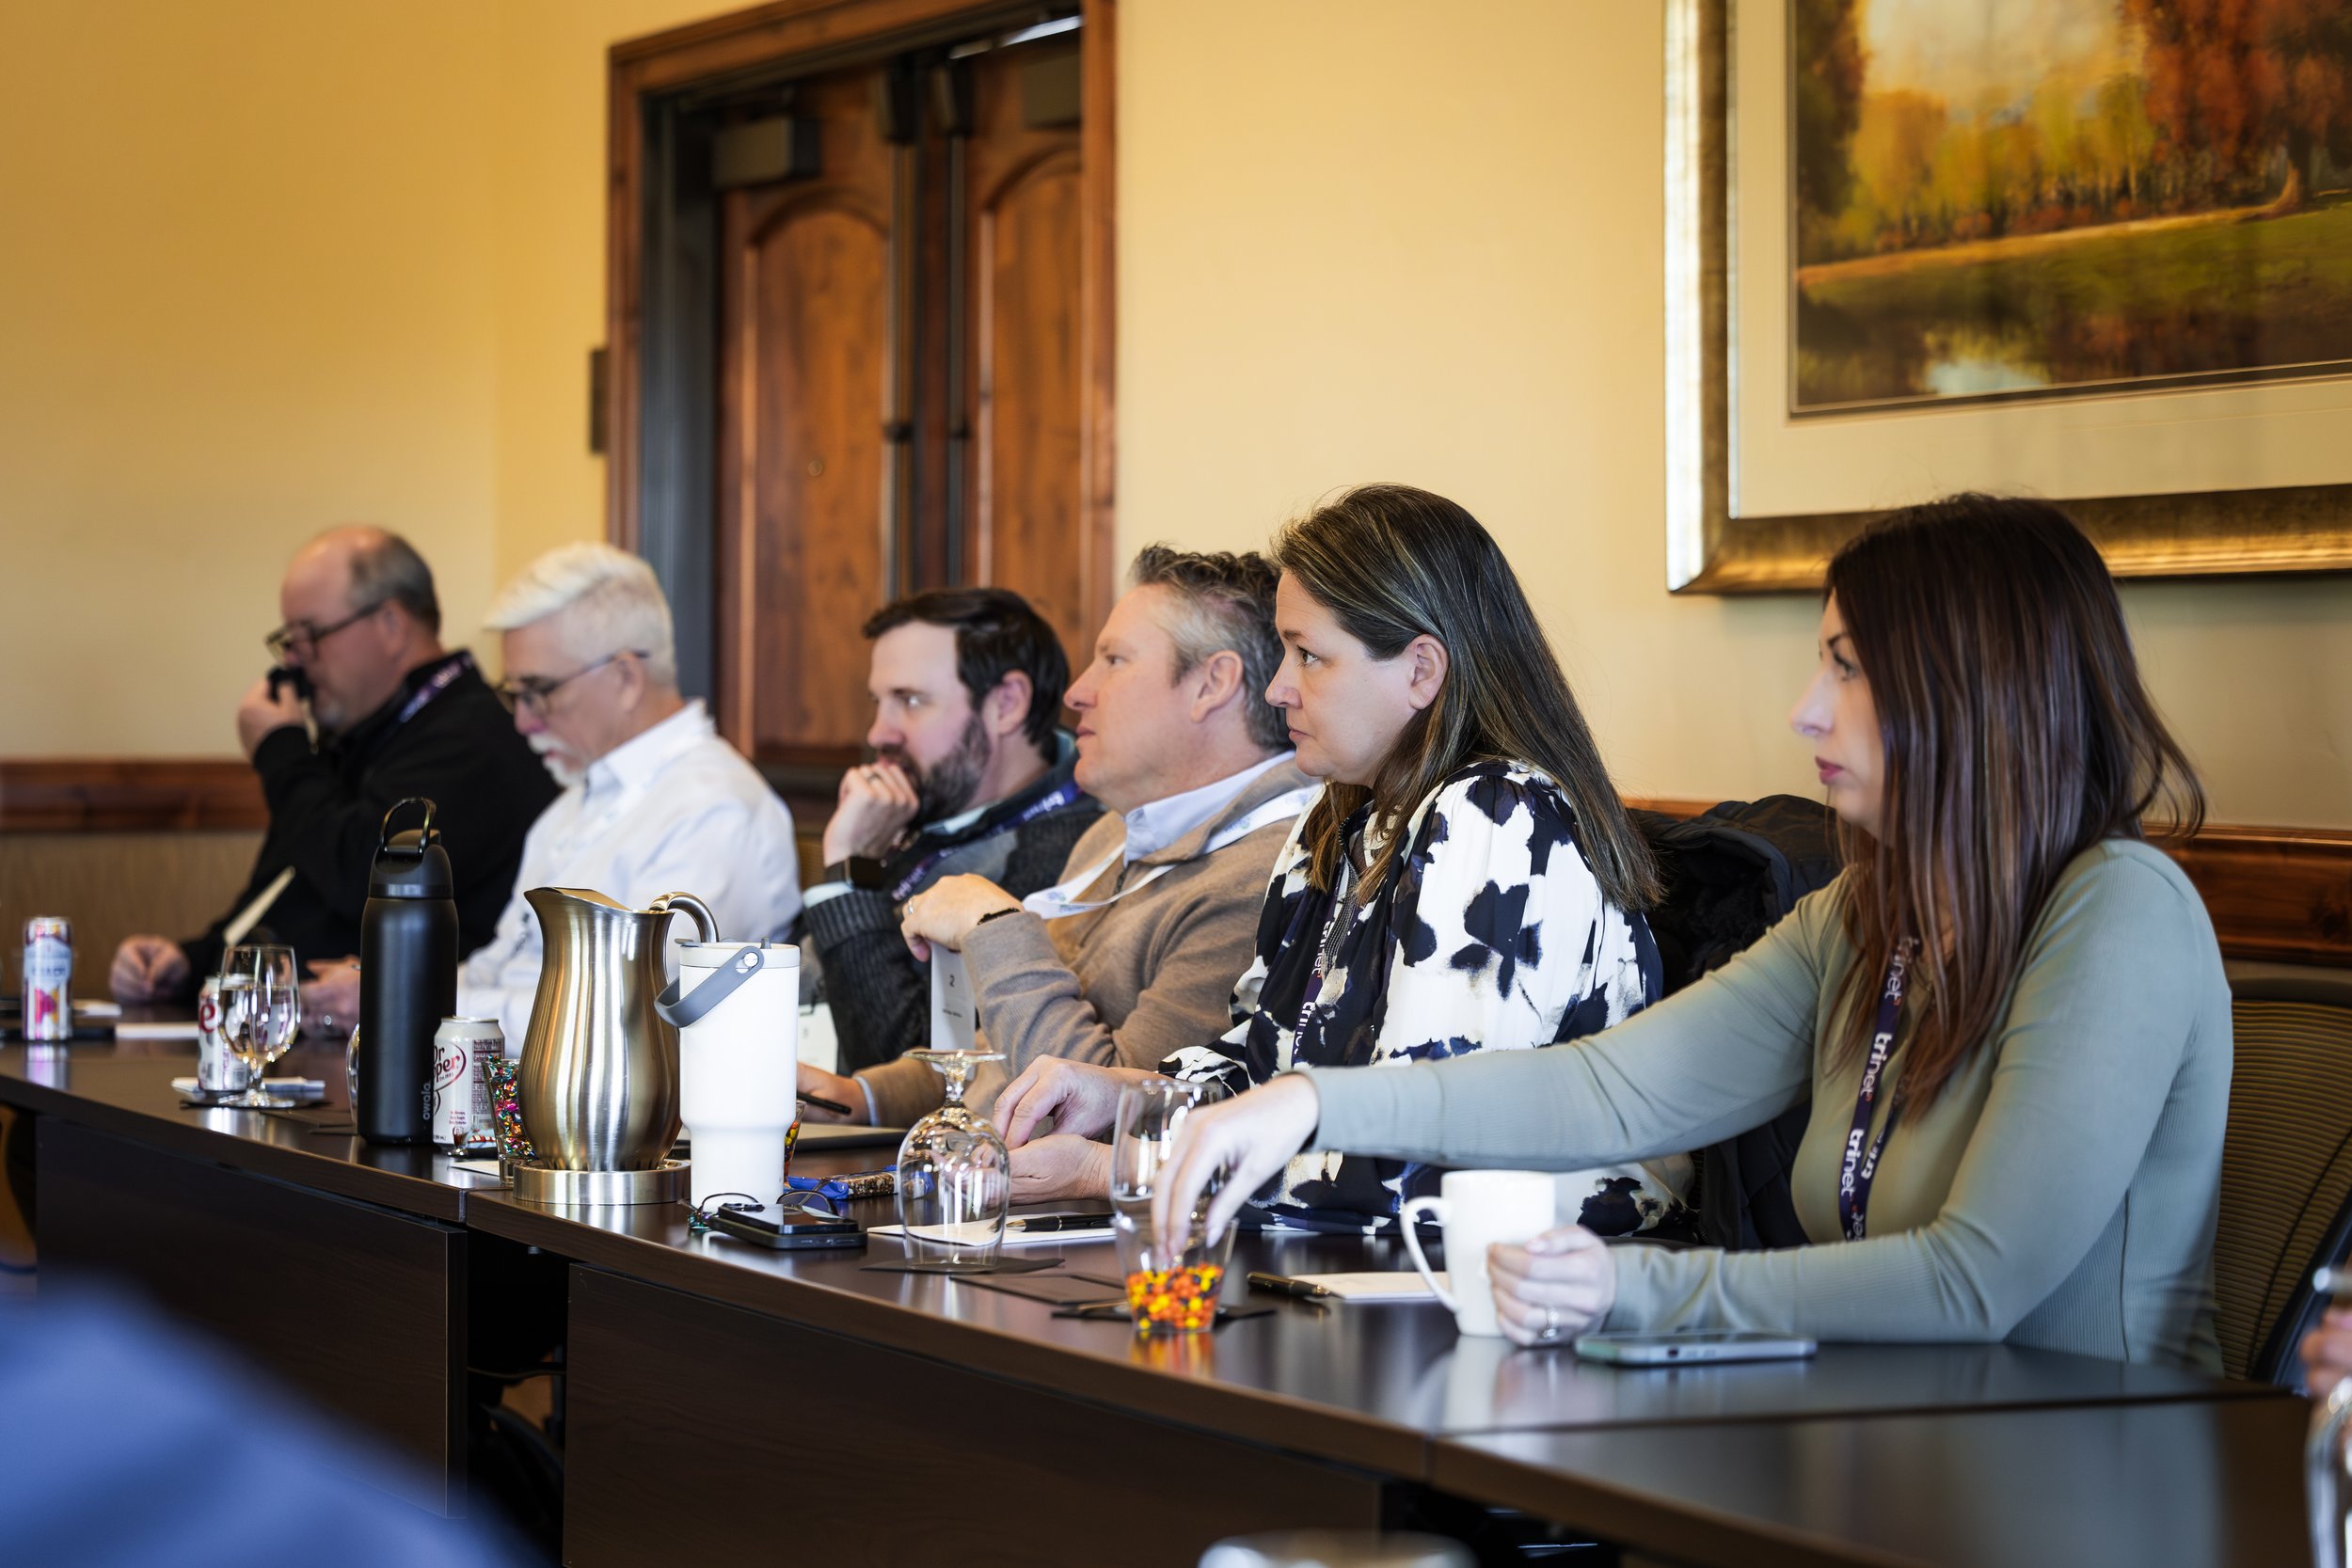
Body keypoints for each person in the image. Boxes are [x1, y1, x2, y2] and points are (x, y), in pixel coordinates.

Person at [1152, 494, 2232, 1369]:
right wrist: (1309, 1102)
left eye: (1848, 667)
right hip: (1889, 1442)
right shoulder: (1866, 915)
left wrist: (1631, 1284)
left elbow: (1972, 1281)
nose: (1807, 710)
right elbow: (1608, 1089)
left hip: (2085, 1475)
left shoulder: (2119, 910)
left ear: (1976, 690)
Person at [995, 483, 1671, 1235]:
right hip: (1351, 1255)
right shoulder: (1338, 816)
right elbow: (1265, 1071)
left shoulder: (1496, 816)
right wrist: (1123, 1097)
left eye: (1310, 655)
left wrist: (1117, 1167)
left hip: (1519, 1269)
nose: (1278, 688)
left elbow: (1420, 1154)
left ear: (1421, 671)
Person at [796, 548, 1316, 1197]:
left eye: (1114, 660)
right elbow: (1002, 1055)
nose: (1077, 691)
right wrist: (862, 1097)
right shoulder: (1113, 831)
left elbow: (1119, 1115)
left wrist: (996, 925)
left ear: (1212, 684)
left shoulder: (1262, 875)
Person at [302, 544, 803, 1041]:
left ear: (625, 678)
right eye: (515, 695)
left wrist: (404, 997)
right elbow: (500, 968)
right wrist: (388, 982)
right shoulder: (569, 808)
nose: (523, 721)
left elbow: (628, 1017)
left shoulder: (716, 809)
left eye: (539, 691)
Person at [109, 528, 556, 1011]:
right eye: (289, 640)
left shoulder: (476, 737)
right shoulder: (367, 733)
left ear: (390, 624)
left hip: (401, 1042)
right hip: (294, 1028)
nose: (293, 661)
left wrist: (282, 753)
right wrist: (190, 961)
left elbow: (360, 877)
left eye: (310, 635)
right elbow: (285, 894)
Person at [799, 587, 1102, 1072]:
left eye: (911, 700)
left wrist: (847, 874)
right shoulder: (925, 809)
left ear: (1006, 704)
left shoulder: (1067, 851)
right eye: (879, 701)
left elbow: (922, 1065)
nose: (878, 733)